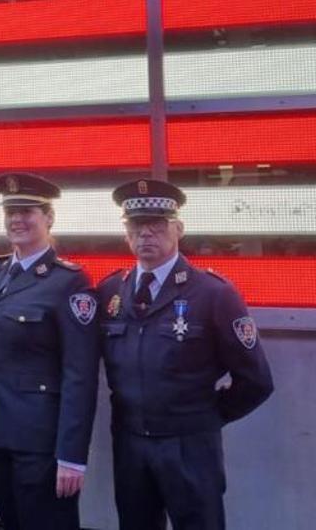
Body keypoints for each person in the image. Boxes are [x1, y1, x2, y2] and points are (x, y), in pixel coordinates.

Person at [98, 179, 273, 530]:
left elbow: (256, 380)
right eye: (136, 225)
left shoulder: (212, 293)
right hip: (131, 445)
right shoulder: (111, 291)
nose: (146, 233)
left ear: (179, 228)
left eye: (157, 224)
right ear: (126, 233)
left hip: (190, 446)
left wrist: (204, 416)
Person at [0, 173, 101, 530]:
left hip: (40, 442)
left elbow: (80, 374)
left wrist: (72, 456)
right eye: (10, 211)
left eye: (27, 211)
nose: (17, 220)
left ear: (49, 218)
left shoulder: (68, 281)